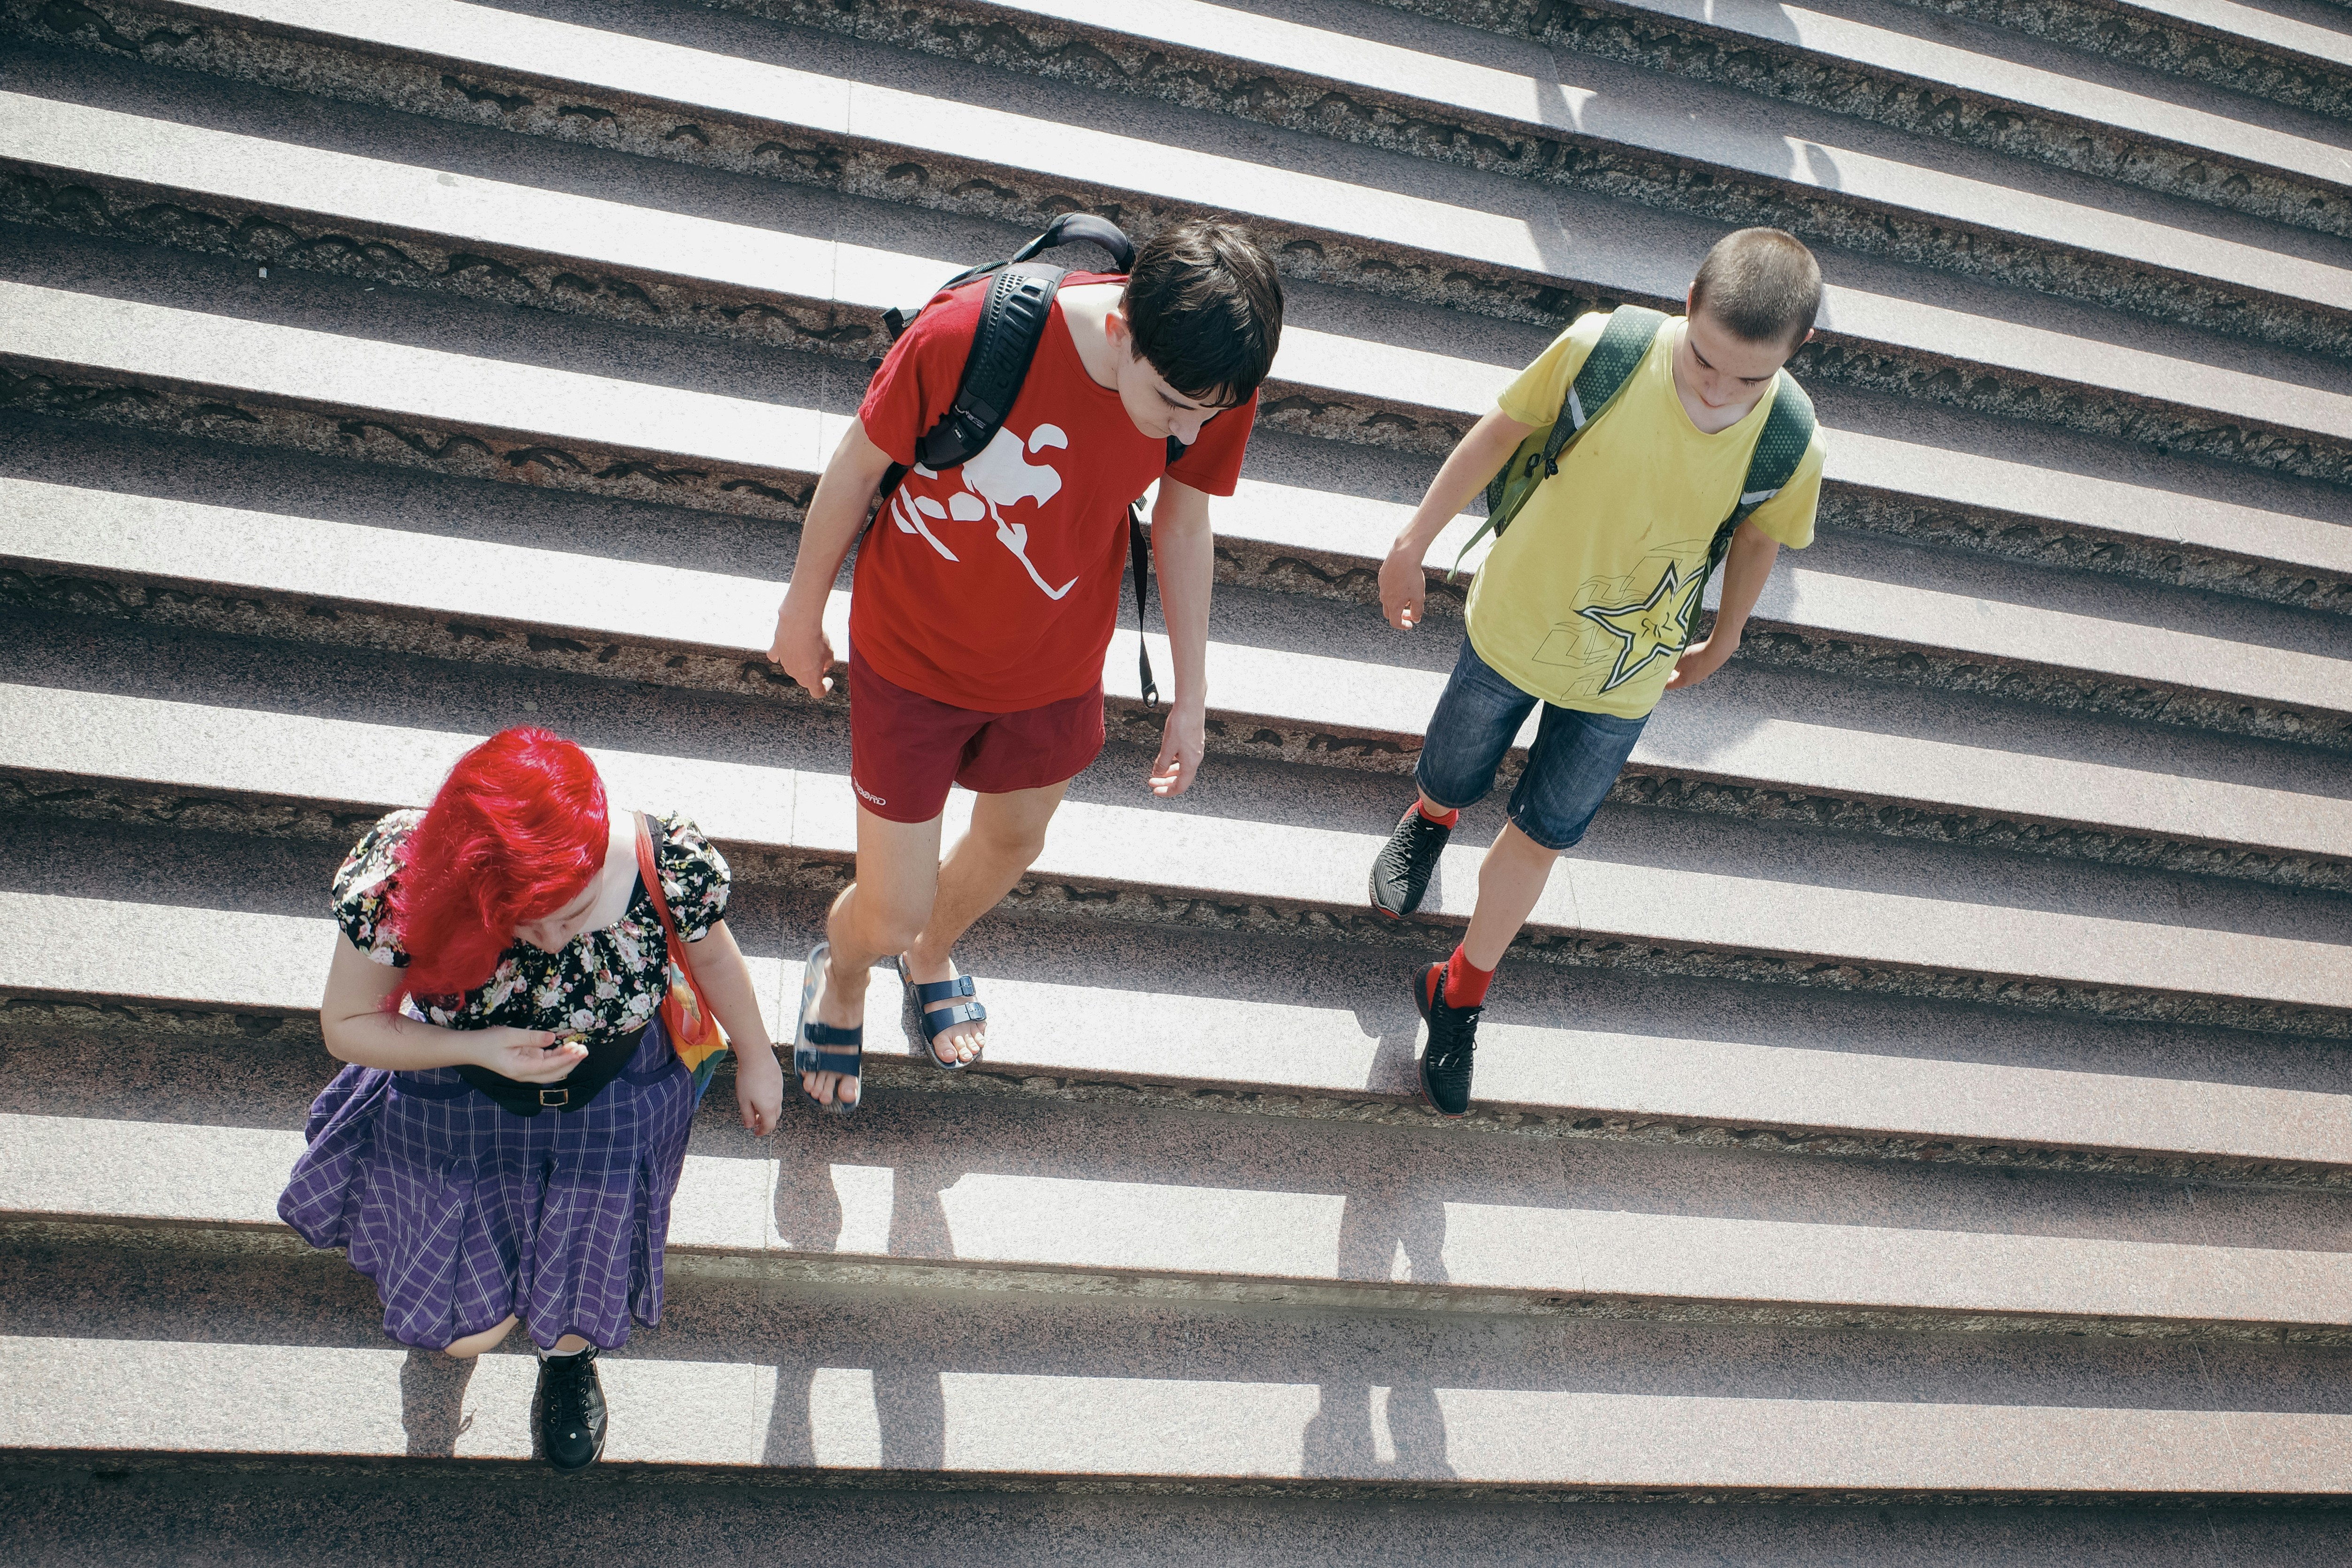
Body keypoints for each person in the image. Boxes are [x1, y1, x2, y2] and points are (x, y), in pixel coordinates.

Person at [766, 217, 1283, 1109]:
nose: (1190, 429)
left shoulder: (1210, 379)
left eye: (1210, 413)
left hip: (1054, 667)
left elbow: (1185, 520)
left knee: (1012, 840)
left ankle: (931, 955)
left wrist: (1192, 697)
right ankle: (847, 971)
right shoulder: (966, 335)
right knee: (888, 905)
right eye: (1172, 405)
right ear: (1122, 328)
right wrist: (801, 608)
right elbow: (856, 468)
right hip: (913, 656)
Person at [1369, 228, 1828, 1116]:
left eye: (1748, 377)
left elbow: (1763, 534)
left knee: (1545, 833)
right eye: (1704, 360)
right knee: (1455, 764)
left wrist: (1727, 636)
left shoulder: (1791, 440)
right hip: (1516, 622)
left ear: (1798, 350)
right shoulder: (1604, 349)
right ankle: (1431, 817)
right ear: (1687, 303)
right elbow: (1502, 432)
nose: (1716, 387)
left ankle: (1460, 991)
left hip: (1629, 667)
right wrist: (1411, 539)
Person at [280, 727, 785, 1472]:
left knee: (588, 1253)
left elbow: (710, 953)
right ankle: (509, 1305)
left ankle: (566, 1358)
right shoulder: (406, 872)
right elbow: (347, 1025)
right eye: (523, 920)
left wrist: (757, 1052)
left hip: (614, 1098)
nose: (550, 939)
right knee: (461, 1329)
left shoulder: (663, 860)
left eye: (574, 913)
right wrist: (475, 1046)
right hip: (460, 1098)